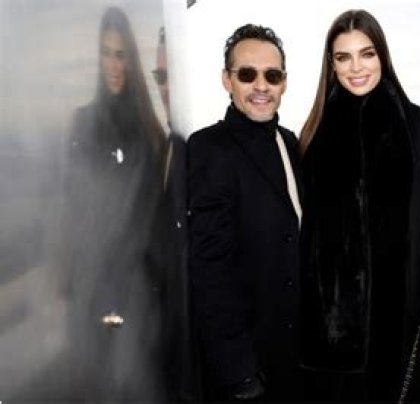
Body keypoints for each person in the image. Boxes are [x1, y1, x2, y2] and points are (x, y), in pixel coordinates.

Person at [298, 9, 420, 402]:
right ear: (331, 65)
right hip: (332, 322)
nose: (356, 68)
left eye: (366, 54)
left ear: (382, 55)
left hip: (401, 312)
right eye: (343, 57)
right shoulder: (313, 134)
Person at [187, 24, 302, 401]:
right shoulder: (209, 148)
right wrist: (239, 371)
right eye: (247, 74)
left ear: (284, 83)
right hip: (246, 370)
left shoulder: (288, 143)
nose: (261, 86)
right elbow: (209, 268)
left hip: (293, 359)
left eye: (272, 75)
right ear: (227, 80)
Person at [64, 6, 166, 401]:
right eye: (106, 53)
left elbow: (154, 220)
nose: (113, 64)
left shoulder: (150, 132)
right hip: (95, 289)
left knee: (136, 386)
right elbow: (75, 211)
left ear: (131, 59)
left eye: (120, 54)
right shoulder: (83, 124)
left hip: (141, 292)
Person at [149, 26, 198, 401]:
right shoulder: (165, 150)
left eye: (174, 76)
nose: (166, 88)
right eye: (160, 77)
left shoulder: (204, 156)